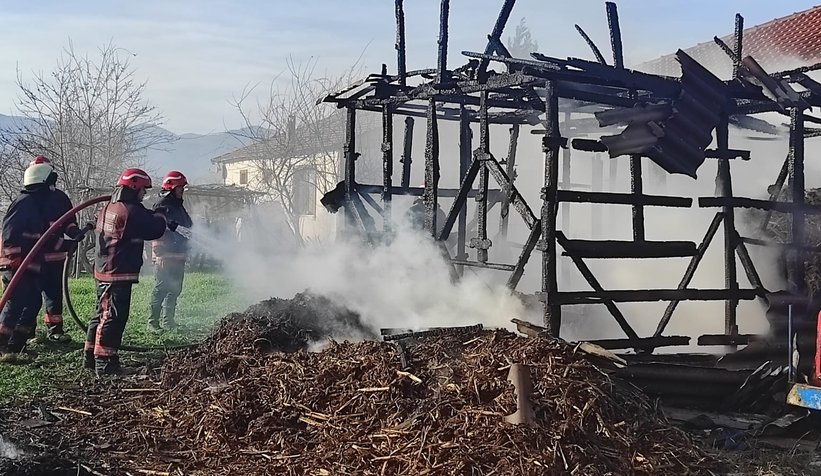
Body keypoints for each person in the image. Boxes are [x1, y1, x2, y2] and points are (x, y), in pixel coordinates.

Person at [84, 168, 174, 376]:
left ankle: (91, 358)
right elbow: (155, 229)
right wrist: (161, 212)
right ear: (134, 188)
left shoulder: (111, 207)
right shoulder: (130, 210)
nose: (144, 194)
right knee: (113, 317)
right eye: (143, 189)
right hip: (117, 271)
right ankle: (105, 365)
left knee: (101, 315)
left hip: (106, 269)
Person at [0, 162, 54, 362]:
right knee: (14, 304)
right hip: (17, 264)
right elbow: (9, 232)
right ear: (42, 182)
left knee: (32, 302)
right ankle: (2, 346)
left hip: (29, 264)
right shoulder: (24, 202)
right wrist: (15, 258)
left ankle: (17, 344)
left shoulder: (36, 204)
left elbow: (41, 236)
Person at [29, 156, 85, 343]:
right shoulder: (30, 200)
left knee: (54, 294)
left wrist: (75, 232)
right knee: (31, 296)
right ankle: (27, 332)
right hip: (34, 257)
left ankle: (54, 331)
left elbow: (68, 221)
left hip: (55, 256)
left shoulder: (60, 198)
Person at [148, 171, 193, 332]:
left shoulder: (177, 205)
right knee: (161, 289)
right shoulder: (162, 205)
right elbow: (157, 230)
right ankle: (153, 323)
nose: (182, 190)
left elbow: (187, 227)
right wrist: (159, 253)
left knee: (175, 289)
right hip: (165, 257)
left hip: (178, 255)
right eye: (180, 187)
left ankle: (168, 322)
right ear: (171, 188)